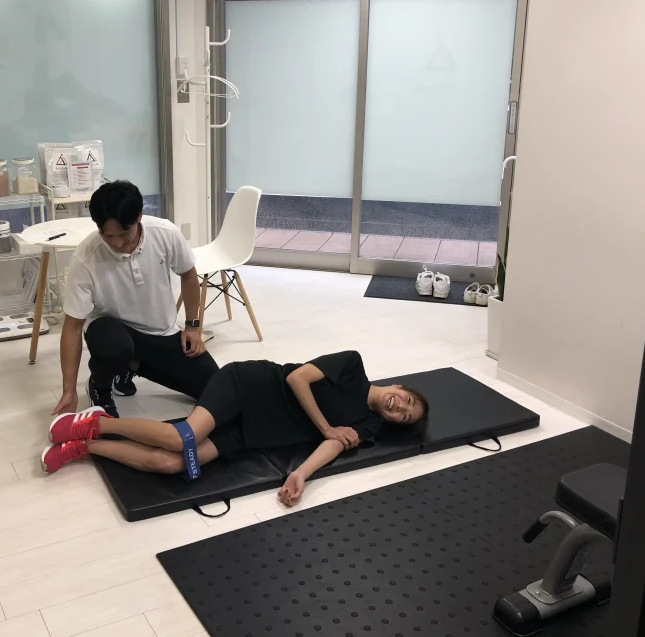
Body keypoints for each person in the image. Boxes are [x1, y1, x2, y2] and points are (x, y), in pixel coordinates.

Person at [42, 350, 429, 507]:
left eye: (405, 416)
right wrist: (327, 427)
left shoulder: (366, 425)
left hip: (248, 435)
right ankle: (97, 421)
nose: (401, 408)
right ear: (399, 387)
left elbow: (334, 447)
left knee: (171, 463)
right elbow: (297, 378)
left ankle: (85, 447)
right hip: (249, 387)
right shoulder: (352, 366)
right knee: (183, 436)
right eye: (407, 399)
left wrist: (301, 474)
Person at [53, 180, 219, 418]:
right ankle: (100, 388)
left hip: (161, 331)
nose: (118, 243)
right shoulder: (85, 257)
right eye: (108, 236)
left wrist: (193, 327)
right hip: (112, 330)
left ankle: (131, 366)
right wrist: (68, 391)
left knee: (213, 386)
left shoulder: (165, 233)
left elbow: (188, 273)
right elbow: (73, 326)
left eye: (124, 234)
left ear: (139, 216)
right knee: (113, 347)